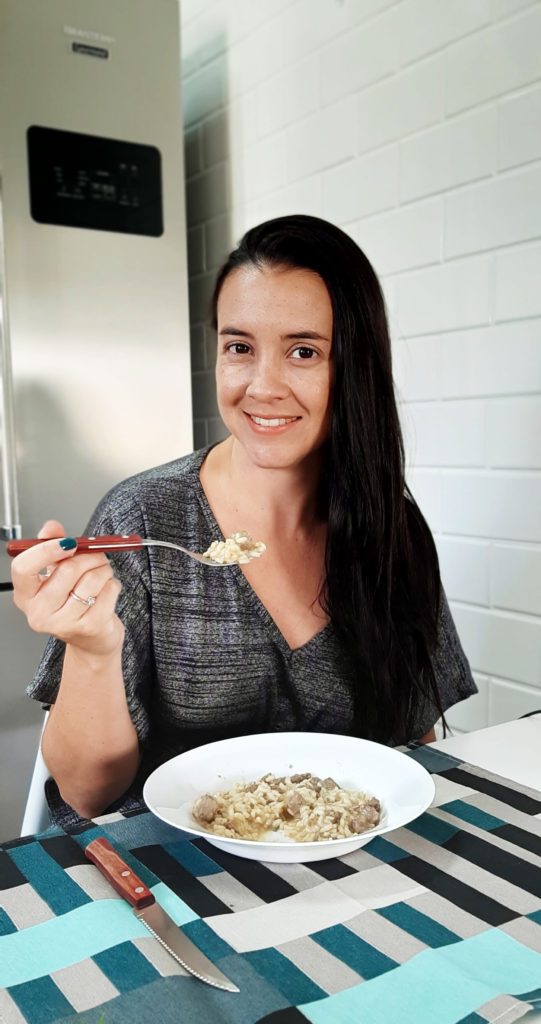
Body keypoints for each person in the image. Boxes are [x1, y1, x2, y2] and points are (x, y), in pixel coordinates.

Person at [11, 214, 476, 831]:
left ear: (354, 369)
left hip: (347, 866)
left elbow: (412, 744)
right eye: (239, 348)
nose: (263, 386)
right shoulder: (145, 520)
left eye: (303, 351)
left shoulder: (392, 526)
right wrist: (92, 650)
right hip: (179, 877)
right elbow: (88, 795)